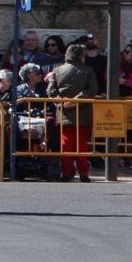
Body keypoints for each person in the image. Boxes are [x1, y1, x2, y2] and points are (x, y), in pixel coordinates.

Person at [46, 42, 96, 182]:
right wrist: (77, 99)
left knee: (65, 144)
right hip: (83, 113)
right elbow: (92, 90)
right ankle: (83, 173)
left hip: (63, 113)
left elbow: (50, 91)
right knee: (82, 145)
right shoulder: (87, 70)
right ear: (81, 55)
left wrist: (62, 101)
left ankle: (67, 172)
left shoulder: (57, 70)